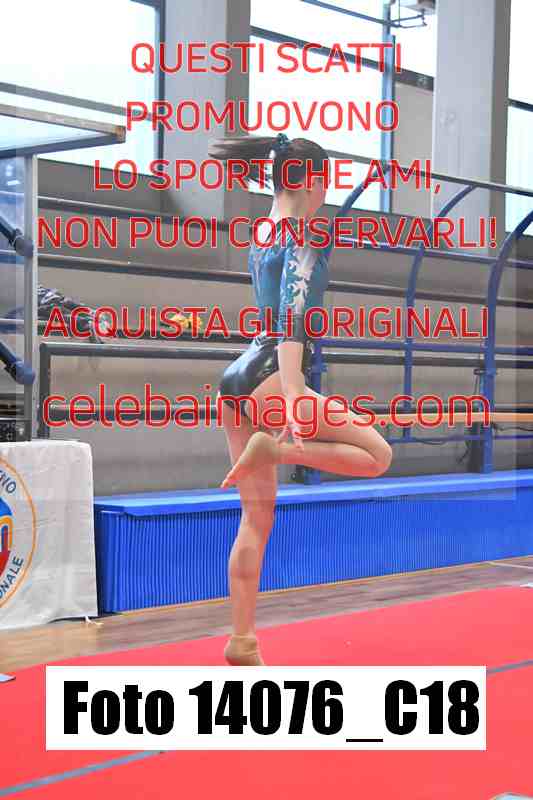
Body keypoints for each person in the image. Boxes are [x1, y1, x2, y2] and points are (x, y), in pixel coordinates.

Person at [211, 133, 393, 666]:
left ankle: (242, 640)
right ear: (312, 181)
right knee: (378, 455)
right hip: (273, 373)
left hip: (237, 379)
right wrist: (294, 393)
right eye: (325, 183)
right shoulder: (307, 232)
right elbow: (292, 314)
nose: (326, 193)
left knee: (255, 518)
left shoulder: (261, 230)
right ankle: (277, 449)